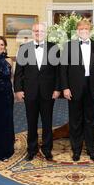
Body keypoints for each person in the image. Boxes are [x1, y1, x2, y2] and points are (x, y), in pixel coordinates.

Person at [60, 20, 94, 162]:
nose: (84, 30)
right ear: (77, 31)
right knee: (75, 120)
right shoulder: (69, 46)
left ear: (90, 30)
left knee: (91, 121)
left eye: (86, 28)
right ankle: (76, 150)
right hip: (74, 88)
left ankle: (92, 150)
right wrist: (65, 88)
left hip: (92, 88)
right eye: (81, 28)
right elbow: (63, 69)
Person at [14, 23, 61, 161]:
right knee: (31, 122)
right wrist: (18, 89)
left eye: (41, 31)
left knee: (47, 122)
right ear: (32, 32)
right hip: (30, 91)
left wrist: (57, 89)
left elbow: (58, 71)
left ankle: (47, 149)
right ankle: (32, 149)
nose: (38, 33)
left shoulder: (54, 48)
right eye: (35, 30)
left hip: (48, 91)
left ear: (45, 33)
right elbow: (19, 72)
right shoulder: (24, 48)